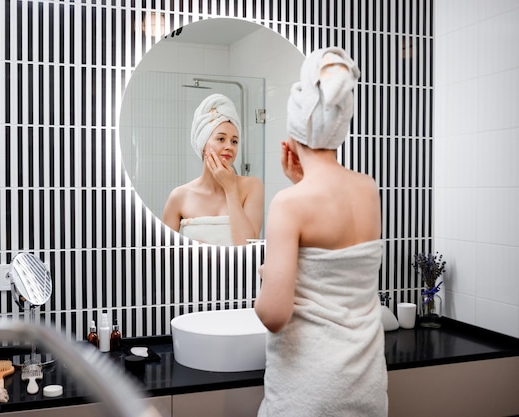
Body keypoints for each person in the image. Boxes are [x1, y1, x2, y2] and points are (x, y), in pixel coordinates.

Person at [254, 47, 388, 416]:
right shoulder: (368, 189)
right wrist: (302, 181)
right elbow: (338, 275)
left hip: (310, 392)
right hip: (366, 385)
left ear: (293, 131)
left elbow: (274, 315)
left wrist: (266, 277)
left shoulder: (288, 204)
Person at [162, 94, 264, 246]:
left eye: (234, 141)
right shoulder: (179, 196)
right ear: (203, 144)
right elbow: (162, 254)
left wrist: (230, 189)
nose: (229, 146)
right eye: (221, 139)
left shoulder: (252, 187)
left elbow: (246, 248)